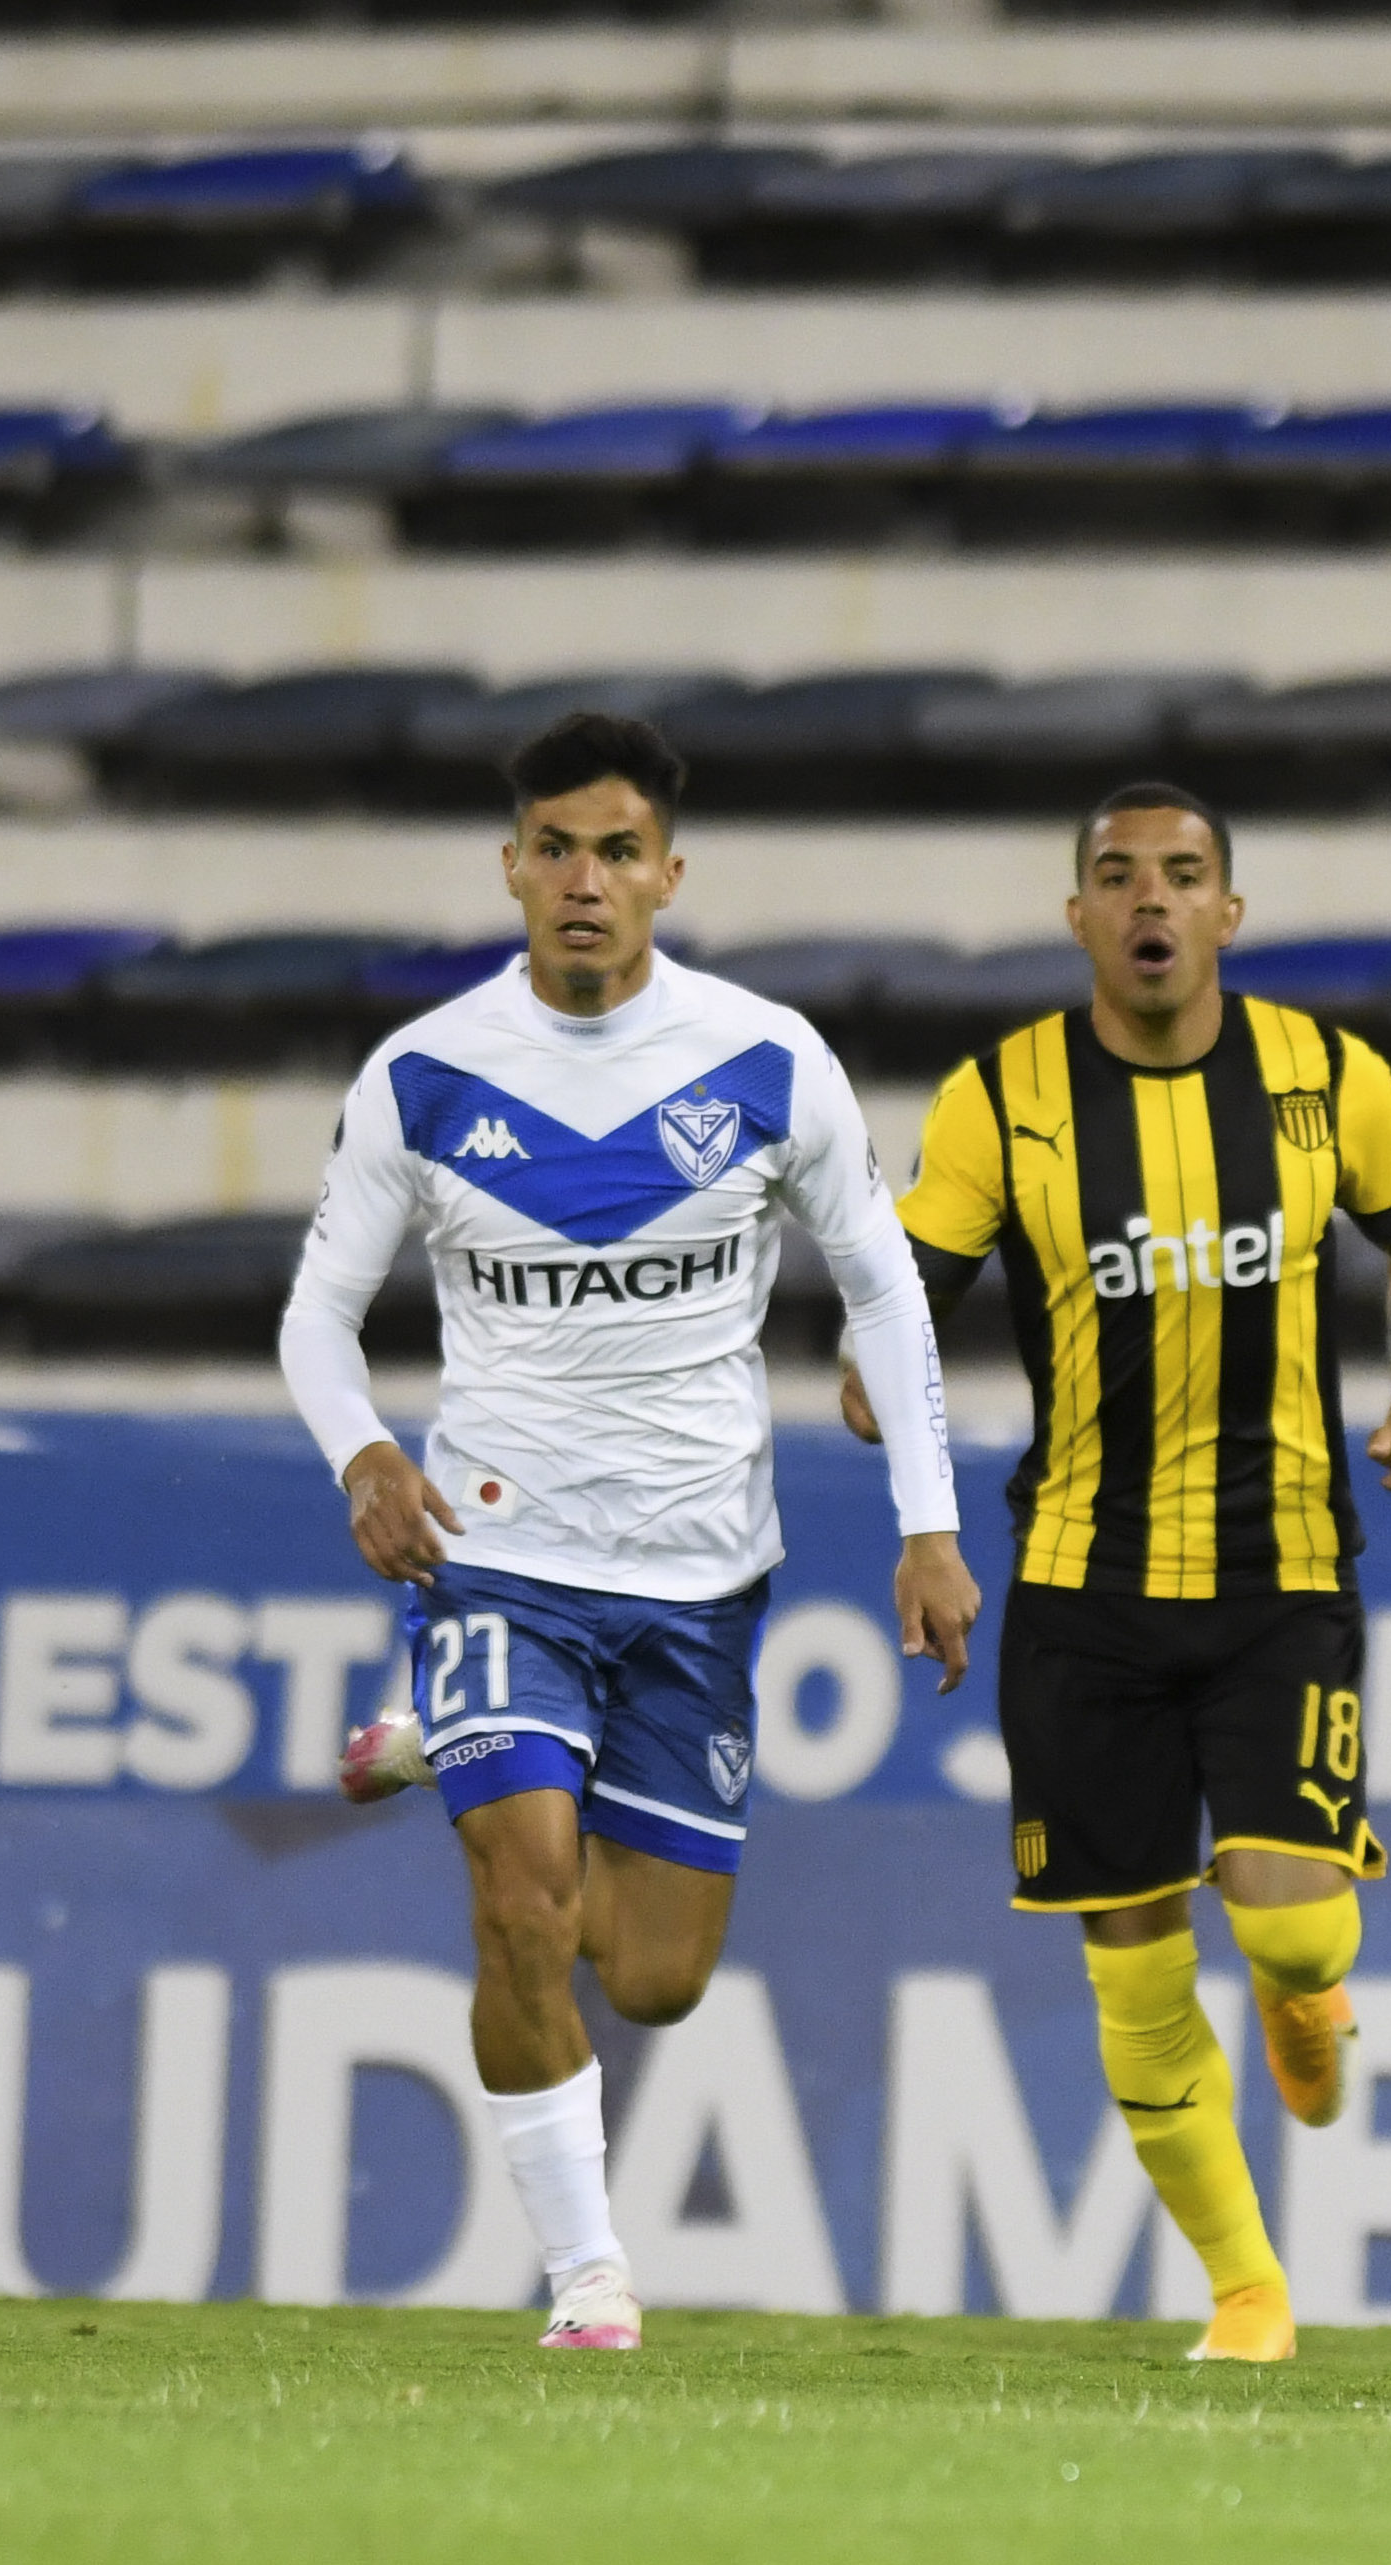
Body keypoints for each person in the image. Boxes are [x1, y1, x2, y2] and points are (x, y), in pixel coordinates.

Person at [280, 709, 977, 2354]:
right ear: (511, 866)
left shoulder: (763, 1060)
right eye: (555, 848)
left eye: (617, 851)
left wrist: (926, 1524)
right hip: (497, 1552)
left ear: (669, 871)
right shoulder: (427, 1076)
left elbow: (882, 1286)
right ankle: (588, 2270)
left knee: (655, 1975)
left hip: (697, 1575)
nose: (585, 880)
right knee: (522, 1902)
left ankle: (442, 1743)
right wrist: (365, 1452)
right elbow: (318, 1316)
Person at [853, 780, 1391, 2366]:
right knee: (1130, 1967)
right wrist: (896, 1431)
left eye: (1182, 875)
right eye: (1117, 876)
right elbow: (897, 1308)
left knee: (1285, 1933)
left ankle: (1301, 1990)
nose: (1150, 901)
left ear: (1227, 911)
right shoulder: (1002, 1098)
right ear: (1078, 916)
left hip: (1281, 1572)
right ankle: (1246, 2292)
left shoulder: (1323, 1079)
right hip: (1077, 1593)